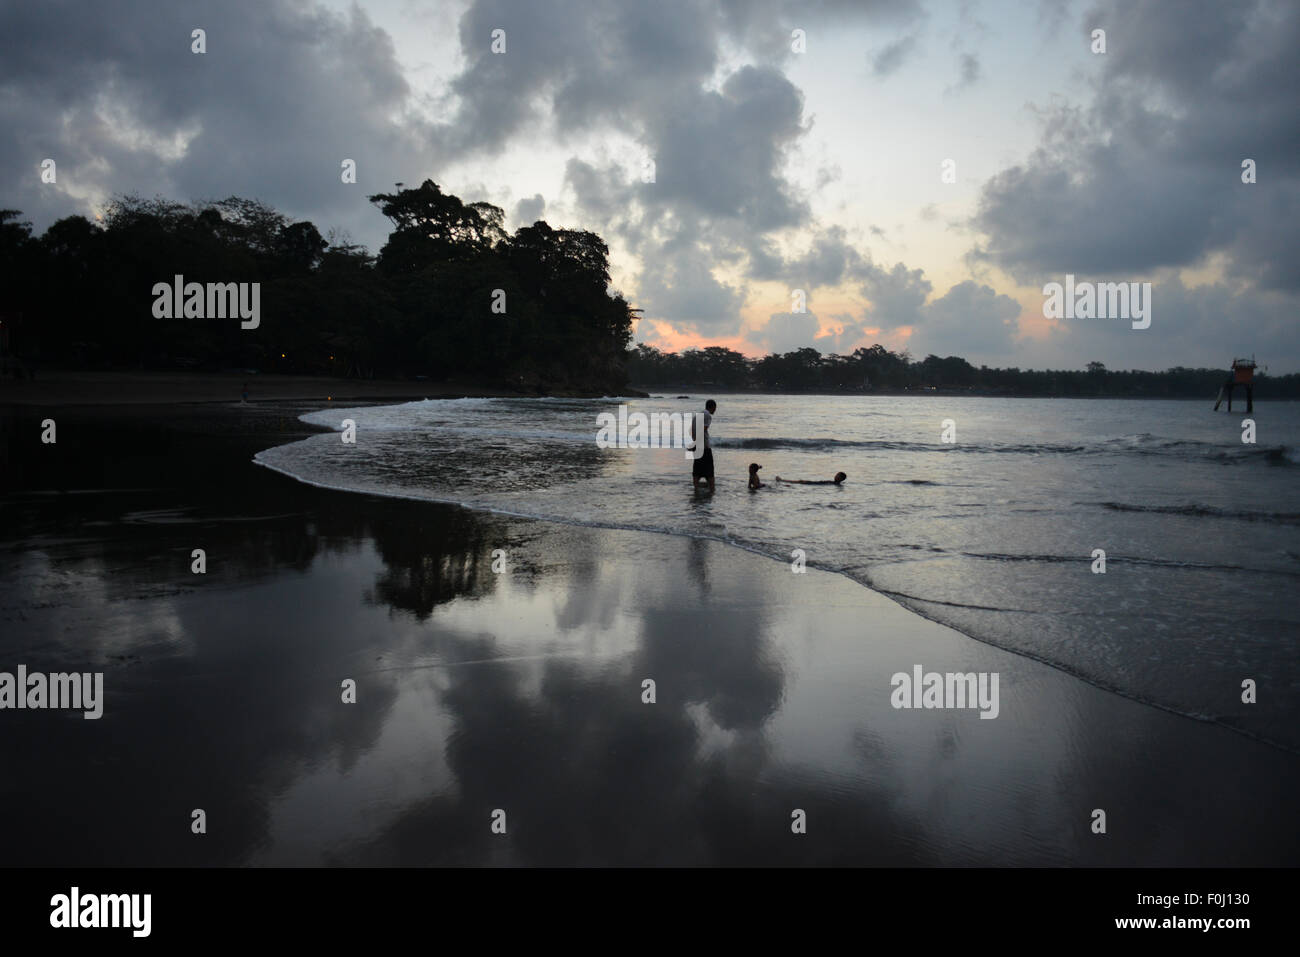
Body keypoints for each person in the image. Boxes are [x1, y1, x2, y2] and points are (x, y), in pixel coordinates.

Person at [690, 399, 717, 491]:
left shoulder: (696, 416)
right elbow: (703, 429)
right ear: (712, 407)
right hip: (705, 447)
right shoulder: (707, 415)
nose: (715, 410)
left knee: (697, 471)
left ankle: (696, 490)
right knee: (710, 471)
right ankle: (712, 491)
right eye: (715, 408)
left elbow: (693, 431)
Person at [775, 471, 847, 485]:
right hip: (816, 483)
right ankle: (782, 480)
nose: (835, 476)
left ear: (841, 479)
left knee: (800, 482)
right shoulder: (834, 483)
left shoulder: (834, 484)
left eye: (837, 475)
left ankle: (782, 480)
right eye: (836, 474)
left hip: (815, 484)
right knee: (800, 481)